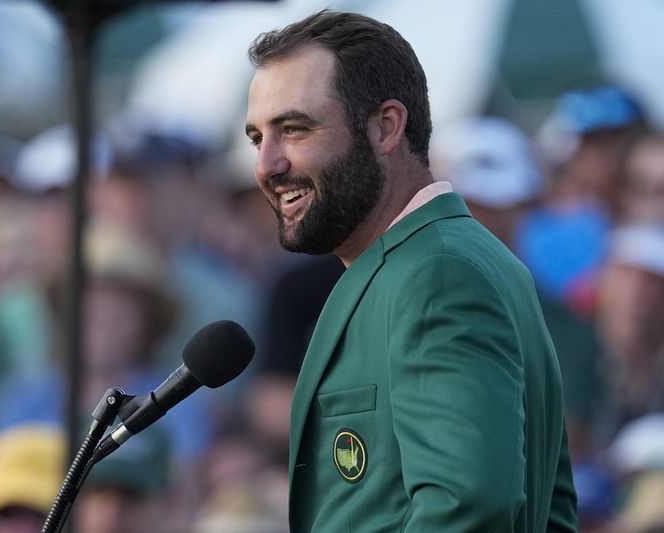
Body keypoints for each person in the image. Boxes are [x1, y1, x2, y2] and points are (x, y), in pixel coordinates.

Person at [244, 10, 577, 531]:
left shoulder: (438, 276)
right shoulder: (438, 262)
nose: (267, 165)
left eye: (294, 129)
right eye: (257, 138)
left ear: (385, 127)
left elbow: (468, 510)